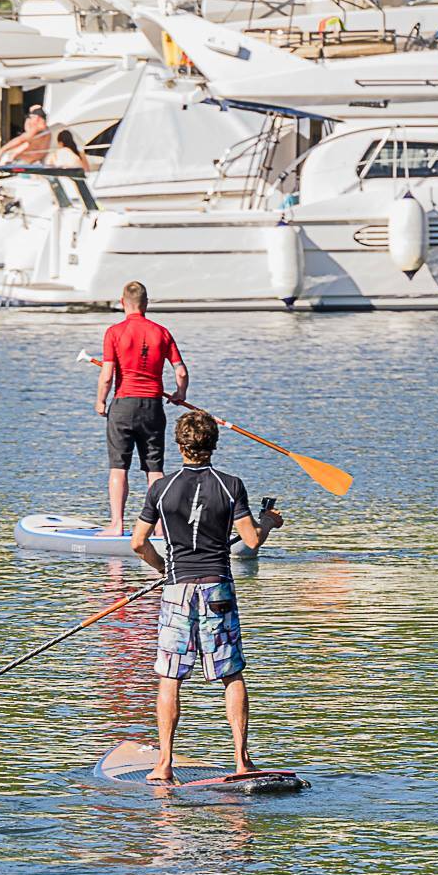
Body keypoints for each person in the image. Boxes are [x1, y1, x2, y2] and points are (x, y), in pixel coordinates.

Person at [131, 409, 282, 781]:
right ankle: (242, 761)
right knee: (232, 675)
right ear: (213, 445)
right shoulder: (231, 485)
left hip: (177, 590)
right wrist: (269, 523)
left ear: (180, 446)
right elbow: (250, 541)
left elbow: (138, 543)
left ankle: (163, 764)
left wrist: (163, 569)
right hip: (217, 588)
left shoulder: (160, 488)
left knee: (170, 677)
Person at [95, 281, 188, 535]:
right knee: (154, 469)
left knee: (118, 467)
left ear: (122, 302)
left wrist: (101, 401)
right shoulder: (162, 332)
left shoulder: (114, 332)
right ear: (146, 304)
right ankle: (159, 526)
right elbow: (180, 371)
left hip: (124, 405)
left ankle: (117, 525)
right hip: (153, 407)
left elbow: (107, 375)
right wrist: (181, 394)